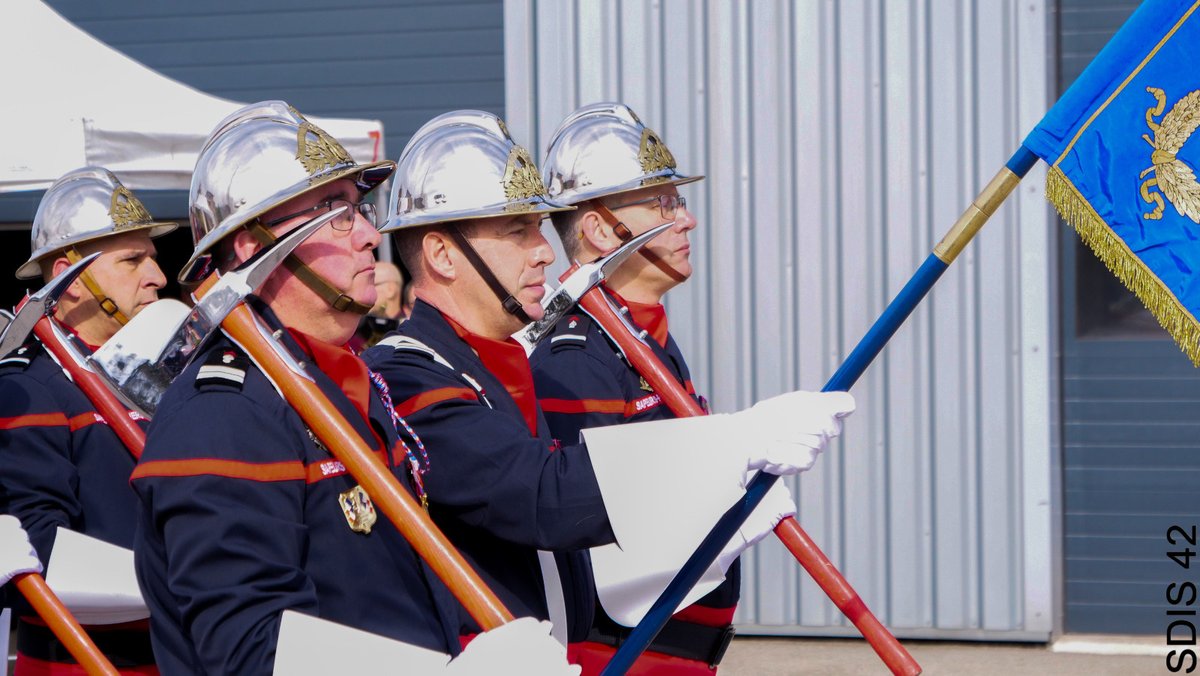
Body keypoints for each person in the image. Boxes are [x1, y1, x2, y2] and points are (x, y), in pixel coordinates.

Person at [362, 110, 855, 661]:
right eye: (518, 232)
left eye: (539, 228)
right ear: (442, 254)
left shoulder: (494, 369)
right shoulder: (405, 373)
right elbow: (546, 497)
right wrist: (728, 448)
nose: (544, 250)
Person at [129, 102, 571, 675]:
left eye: (358, 209)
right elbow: (254, 652)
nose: (368, 233)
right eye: (336, 213)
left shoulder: (341, 384)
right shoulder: (222, 412)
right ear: (251, 246)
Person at [528, 103, 739, 673]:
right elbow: (595, 526)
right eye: (663, 204)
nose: (687, 220)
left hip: (673, 652)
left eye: (679, 200)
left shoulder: (641, 337)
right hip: (624, 653)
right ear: (601, 230)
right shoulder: (578, 356)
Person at [0, 167, 174, 675]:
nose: (158, 277)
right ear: (70, 279)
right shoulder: (29, 387)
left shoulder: (154, 371)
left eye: (152, 257)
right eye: (132, 260)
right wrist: (187, 579)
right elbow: (36, 552)